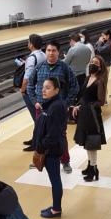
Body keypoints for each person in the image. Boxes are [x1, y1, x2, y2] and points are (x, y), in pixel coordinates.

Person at [27, 41, 79, 174]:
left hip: (58, 110)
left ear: (59, 52)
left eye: (53, 50)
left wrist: (66, 103)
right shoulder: (39, 67)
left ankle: (65, 161)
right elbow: (30, 86)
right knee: (40, 134)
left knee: (60, 135)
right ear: (45, 52)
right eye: (48, 50)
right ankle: (38, 159)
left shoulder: (64, 67)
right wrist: (35, 101)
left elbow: (75, 86)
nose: (51, 53)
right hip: (42, 108)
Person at [33, 77, 67, 218]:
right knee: (54, 178)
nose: (43, 90)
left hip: (51, 151)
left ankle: (56, 209)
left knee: (55, 179)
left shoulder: (56, 107)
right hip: (48, 149)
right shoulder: (50, 104)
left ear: (56, 90)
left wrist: (40, 148)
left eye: (48, 88)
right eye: (43, 87)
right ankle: (55, 206)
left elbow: (53, 134)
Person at [72, 56, 108, 182]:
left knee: (91, 142)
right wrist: (78, 106)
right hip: (84, 113)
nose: (92, 64)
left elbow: (101, 101)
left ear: (100, 67)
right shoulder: (88, 78)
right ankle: (90, 166)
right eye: (92, 62)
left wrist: (88, 106)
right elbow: (84, 96)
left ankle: (93, 169)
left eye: (96, 63)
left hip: (92, 115)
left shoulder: (100, 81)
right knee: (87, 141)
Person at [14, 34, 46, 151]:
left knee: (36, 117)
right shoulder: (43, 54)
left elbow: (27, 77)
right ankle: (35, 138)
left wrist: (23, 90)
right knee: (37, 116)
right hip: (40, 88)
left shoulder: (32, 57)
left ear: (31, 44)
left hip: (31, 91)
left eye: (28, 41)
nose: (28, 43)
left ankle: (36, 143)